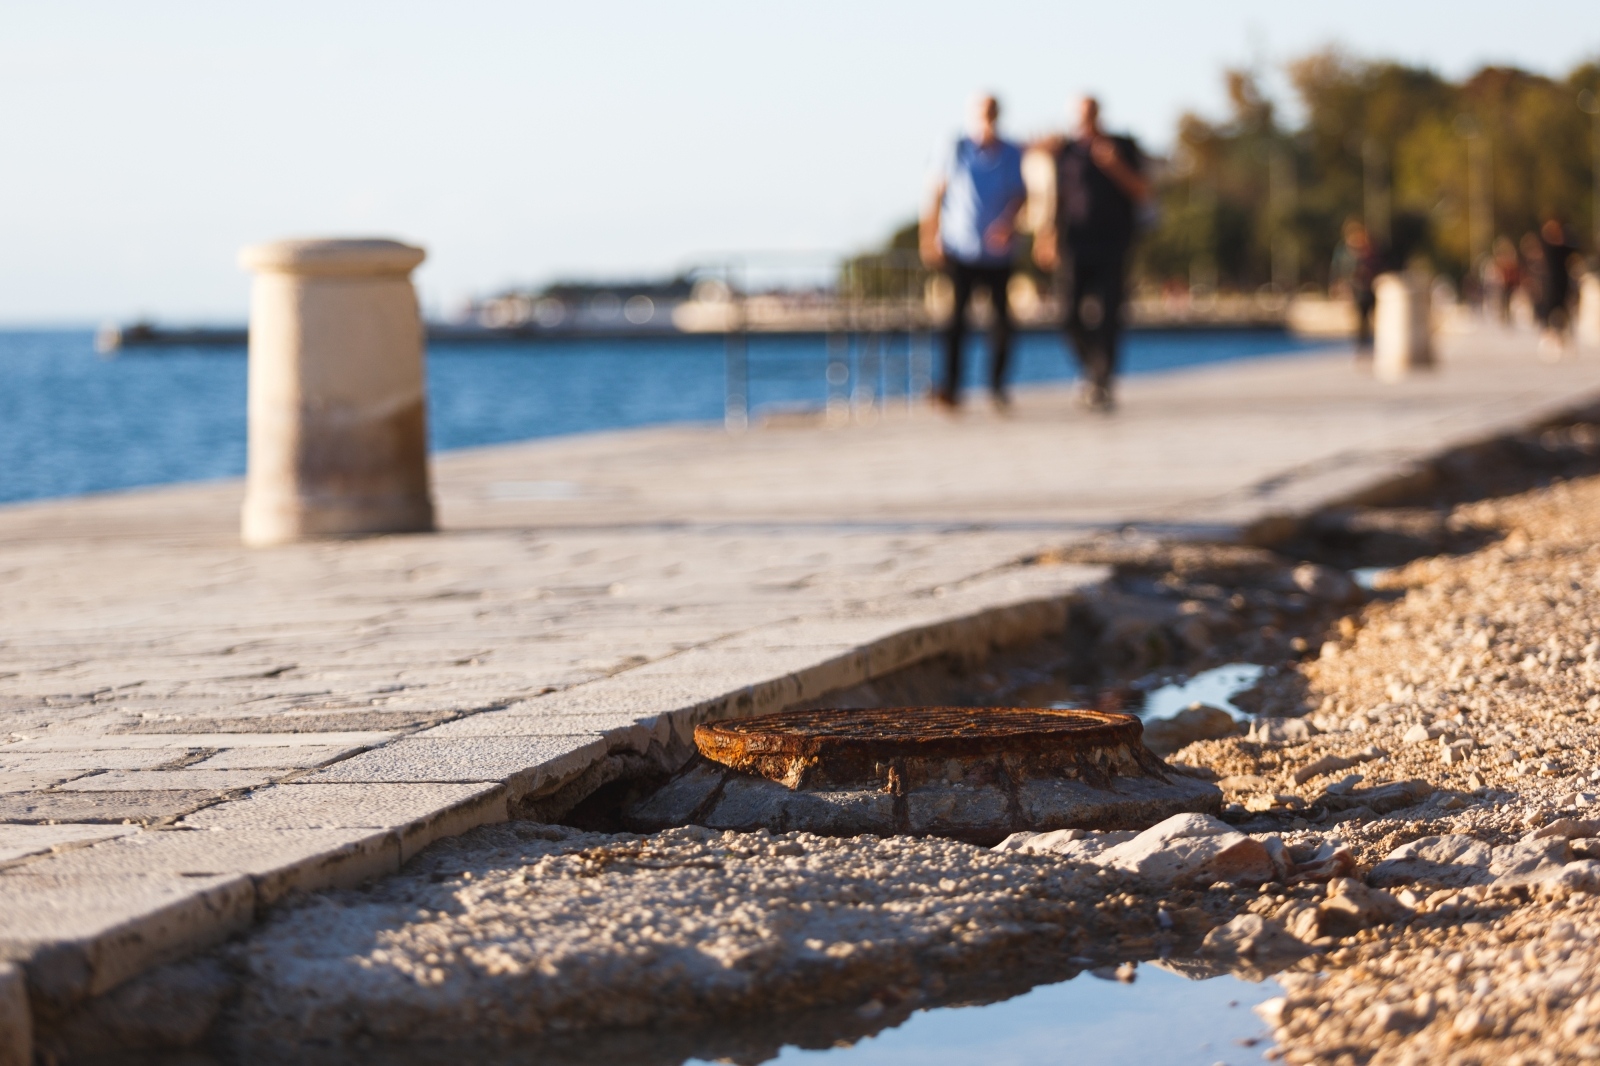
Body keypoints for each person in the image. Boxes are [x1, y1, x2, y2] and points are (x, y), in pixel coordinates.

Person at [1033, 96, 1149, 412]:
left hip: (1114, 243)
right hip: (1075, 244)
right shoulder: (1066, 150)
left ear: (1099, 114)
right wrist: (1046, 235)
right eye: (1080, 115)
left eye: (1090, 114)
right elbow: (1056, 195)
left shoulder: (1122, 145)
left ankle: (1101, 381)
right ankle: (1093, 370)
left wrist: (1115, 165)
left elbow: (1143, 191)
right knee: (1067, 315)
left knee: (1110, 315)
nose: (1086, 120)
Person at [920, 94, 1026, 410]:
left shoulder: (1011, 152)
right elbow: (935, 193)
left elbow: (1020, 194)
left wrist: (1007, 223)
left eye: (991, 111)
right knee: (955, 323)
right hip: (960, 248)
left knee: (1002, 323)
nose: (987, 117)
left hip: (998, 252)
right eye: (982, 111)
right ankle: (951, 388)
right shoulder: (955, 147)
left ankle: (997, 386)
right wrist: (929, 237)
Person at [1330, 219, 1384, 354]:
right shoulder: (1344, 252)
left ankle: (1369, 342)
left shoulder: (1369, 251)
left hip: (1369, 289)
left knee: (1370, 316)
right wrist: (1338, 284)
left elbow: (1378, 267)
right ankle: (1362, 344)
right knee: (1360, 317)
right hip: (1355, 289)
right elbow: (1338, 269)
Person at [1536, 217, 1579, 356]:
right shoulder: (1547, 246)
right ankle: (1548, 339)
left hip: (1563, 283)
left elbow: (1575, 248)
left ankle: (1565, 339)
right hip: (1550, 284)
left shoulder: (1563, 247)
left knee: (1565, 312)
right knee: (1549, 312)